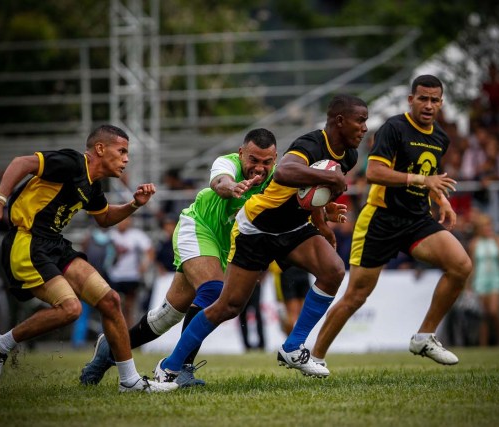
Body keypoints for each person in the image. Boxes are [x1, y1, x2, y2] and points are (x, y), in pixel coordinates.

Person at [151, 94, 367, 383]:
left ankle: (293, 347)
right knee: (228, 306)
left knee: (334, 271)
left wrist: (322, 222)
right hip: (258, 226)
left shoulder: (349, 156)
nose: (364, 128)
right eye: (360, 120)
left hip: (294, 226)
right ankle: (169, 366)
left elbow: (308, 196)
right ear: (340, 121)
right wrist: (331, 180)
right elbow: (287, 172)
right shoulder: (310, 144)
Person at [0, 124, 177, 393]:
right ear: (100, 149)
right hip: (26, 243)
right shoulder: (72, 163)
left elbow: (105, 218)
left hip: (55, 244)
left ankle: (129, 381)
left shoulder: (93, 186)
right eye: (121, 151)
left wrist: (134, 204)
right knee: (70, 309)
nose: (126, 158)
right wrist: (0, 199)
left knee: (110, 301)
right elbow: (21, 162)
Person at [79, 128, 279, 387]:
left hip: (222, 246)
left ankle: (109, 351)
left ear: (275, 159)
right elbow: (220, 183)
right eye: (253, 160)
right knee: (213, 293)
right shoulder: (226, 163)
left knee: (167, 317)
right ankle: (180, 368)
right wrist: (232, 186)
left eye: (267, 162)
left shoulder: (277, 179)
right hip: (198, 227)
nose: (259, 169)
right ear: (241, 153)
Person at [311, 75, 472, 368]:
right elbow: (373, 173)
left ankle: (424, 336)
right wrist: (423, 179)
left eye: (434, 99)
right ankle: (315, 356)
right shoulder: (394, 128)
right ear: (411, 100)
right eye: (422, 98)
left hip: (417, 220)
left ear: (441, 103)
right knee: (356, 295)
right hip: (380, 219)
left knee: (461, 265)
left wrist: (442, 199)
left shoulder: (440, 138)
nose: (428, 105)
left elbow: (429, 176)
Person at [468, 213, 499, 346]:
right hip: (480, 280)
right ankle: (483, 345)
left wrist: (497, 239)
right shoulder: (474, 243)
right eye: (484, 225)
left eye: (488, 225)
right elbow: (472, 265)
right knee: (483, 316)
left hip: (495, 279)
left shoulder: (497, 240)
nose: (487, 228)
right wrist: (468, 285)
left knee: (493, 312)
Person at [107, 216, 154, 327]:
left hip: (131, 277)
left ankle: (128, 332)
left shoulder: (136, 235)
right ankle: (115, 330)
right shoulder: (111, 235)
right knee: (114, 305)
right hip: (114, 275)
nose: (123, 222)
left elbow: (150, 251)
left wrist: (144, 265)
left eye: (126, 219)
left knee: (129, 306)